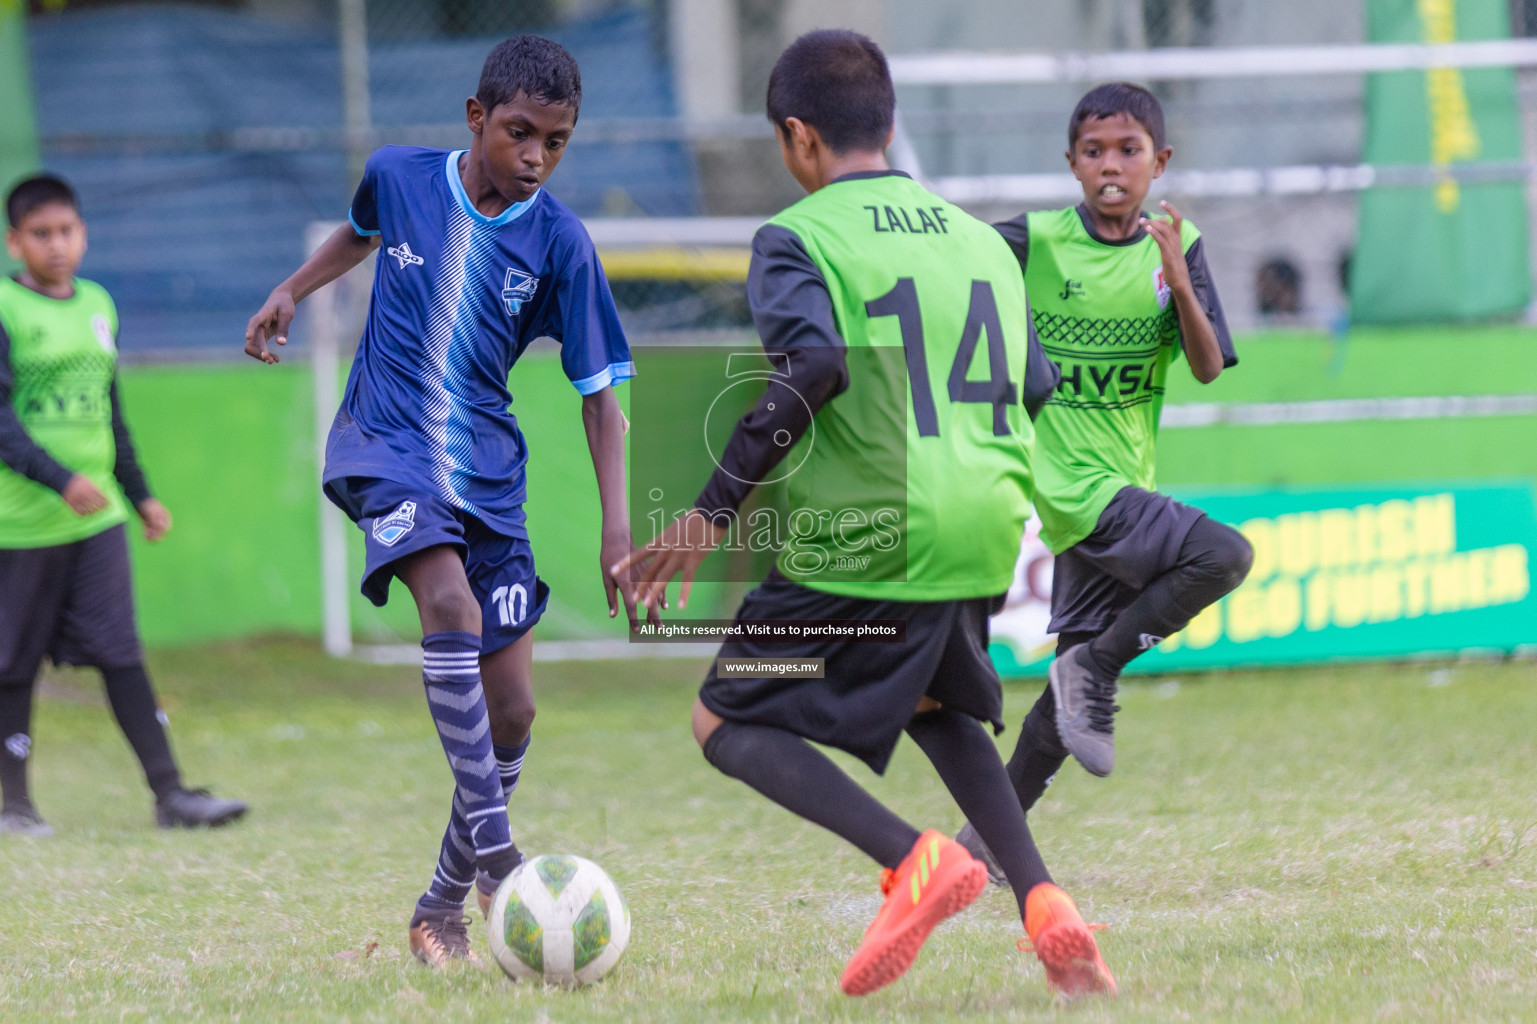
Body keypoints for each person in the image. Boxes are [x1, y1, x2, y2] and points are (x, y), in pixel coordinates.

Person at [617, 31, 1114, 1000]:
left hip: (870, 539)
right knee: (938, 703)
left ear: (797, 136)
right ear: (887, 123)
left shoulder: (800, 238)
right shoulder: (978, 239)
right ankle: (1048, 904)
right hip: (980, 529)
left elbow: (814, 364)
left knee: (725, 715)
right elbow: (1039, 382)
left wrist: (711, 513)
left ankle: (911, 859)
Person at [243, 35, 635, 967]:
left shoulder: (560, 243)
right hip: (383, 447)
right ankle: (503, 860)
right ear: (475, 118)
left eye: (556, 141)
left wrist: (618, 526)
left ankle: (439, 907)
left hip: (489, 480)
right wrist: (292, 291)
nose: (535, 155)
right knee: (447, 609)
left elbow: (600, 398)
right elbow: (360, 228)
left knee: (514, 715)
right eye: (518, 133)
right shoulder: (401, 178)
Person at [956, 83, 1253, 879]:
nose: (1110, 166)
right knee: (1222, 555)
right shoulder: (1036, 240)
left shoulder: (1175, 242)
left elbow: (1204, 366)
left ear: (1158, 163)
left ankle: (972, 853)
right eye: (1094, 152)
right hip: (1063, 480)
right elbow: (954, 263)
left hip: (1117, 483)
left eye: (1127, 151)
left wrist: (1180, 285)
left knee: (1062, 718)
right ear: (1071, 164)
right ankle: (1093, 668)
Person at [0, 174, 248, 836]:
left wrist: (138, 495)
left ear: (83, 234)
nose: (57, 246)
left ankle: (172, 796)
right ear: (13, 241)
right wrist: (59, 480)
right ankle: (14, 804)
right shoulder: (5, 308)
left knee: (120, 650)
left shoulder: (98, 305)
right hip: (21, 524)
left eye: (67, 231)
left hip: (97, 517)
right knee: (12, 662)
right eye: (41, 234)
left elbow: (111, 412)